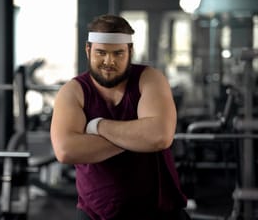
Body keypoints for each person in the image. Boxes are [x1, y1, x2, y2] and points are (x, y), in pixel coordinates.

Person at [50, 14, 189, 220]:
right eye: (101, 53)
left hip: (161, 211)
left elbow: (159, 136)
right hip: (96, 213)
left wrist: (98, 126)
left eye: (118, 54)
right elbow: (65, 151)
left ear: (130, 51)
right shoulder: (73, 91)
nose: (109, 61)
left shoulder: (149, 79)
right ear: (88, 50)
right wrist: (139, 135)